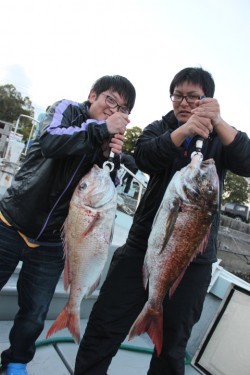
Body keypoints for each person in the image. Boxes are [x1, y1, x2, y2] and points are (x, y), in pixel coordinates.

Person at [74, 67, 250, 375]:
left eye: (193, 97)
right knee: (104, 329)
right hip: (141, 247)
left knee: (172, 349)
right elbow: (144, 157)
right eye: (178, 95)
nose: (184, 103)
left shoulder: (222, 137)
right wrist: (184, 130)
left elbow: (246, 161)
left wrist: (217, 122)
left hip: (193, 261)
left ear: (207, 99)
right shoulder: (159, 128)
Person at [0, 75, 136, 375]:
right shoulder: (66, 110)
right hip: (10, 223)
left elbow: (105, 194)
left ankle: (16, 362)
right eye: (109, 100)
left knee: (34, 314)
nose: (113, 110)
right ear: (92, 96)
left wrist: (110, 157)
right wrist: (99, 130)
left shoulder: (108, 144)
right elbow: (50, 141)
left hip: (52, 242)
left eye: (122, 109)